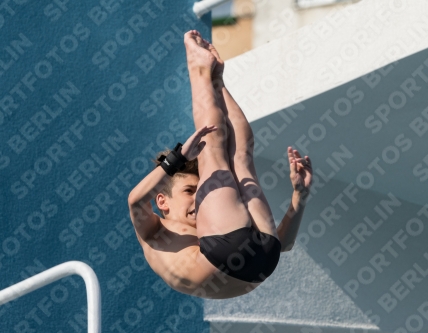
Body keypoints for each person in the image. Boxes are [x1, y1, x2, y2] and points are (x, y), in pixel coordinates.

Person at [128, 30, 313, 299]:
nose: (200, 199)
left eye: (197, 190)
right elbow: (135, 201)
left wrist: (299, 197)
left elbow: (285, 244)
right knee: (214, 151)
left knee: (239, 155)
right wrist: (300, 198)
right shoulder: (153, 231)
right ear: (162, 202)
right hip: (255, 253)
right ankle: (198, 68)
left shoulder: (201, 231)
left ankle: (215, 80)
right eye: (190, 192)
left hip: (255, 258)